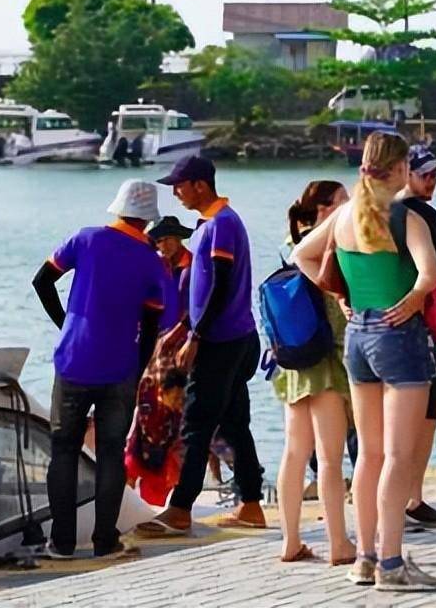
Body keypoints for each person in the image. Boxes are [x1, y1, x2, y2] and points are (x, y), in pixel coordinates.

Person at [291, 131, 436, 592]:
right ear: (400, 170)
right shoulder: (405, 218)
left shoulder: (342, 216)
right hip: (399, 336)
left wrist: (340, 295)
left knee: (370, 455)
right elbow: (431, 273)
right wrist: (416, 297)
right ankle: (393, 564)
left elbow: (302, 253)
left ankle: (365, 557)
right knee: (398, 456)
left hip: (358, 337)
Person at [32, 179, 167, 559]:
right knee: (110, 453)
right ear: (148, 220)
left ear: (118, 208)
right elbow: (153, 325)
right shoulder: (151, 261)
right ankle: (104, 541)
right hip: (119, 366)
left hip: (74, 359)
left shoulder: (85, 239)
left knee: (63, 450)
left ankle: (61, 542)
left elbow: (41, 281)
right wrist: (138, 368)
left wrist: (66, 324)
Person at [137, 156, 266, 536]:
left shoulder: (222, 224)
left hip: (221, 341)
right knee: (234, 423)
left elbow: (221, 283)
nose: (175, 193)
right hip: (233, 337)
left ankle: (179, 509)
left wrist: (196, 336)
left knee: (196, 423)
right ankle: (251, 504)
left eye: (179, 185)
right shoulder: (211, 224)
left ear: (199, 184)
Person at [273, 180, 355, 565]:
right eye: (342, 202)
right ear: (322, 210)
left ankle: (291, 540)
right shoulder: (328, 250)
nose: (350, 206)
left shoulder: (292, 246)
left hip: (292, 365)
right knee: (330, 458)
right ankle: (339, 543)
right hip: (325, 365)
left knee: (293, 453)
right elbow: (339, 317)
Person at [398, 145, 436, 530]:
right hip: (419, 323)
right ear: (405, 172)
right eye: (426, 174)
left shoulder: (381, 213)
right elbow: (431, 270)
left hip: (386, 319)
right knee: (427, 412)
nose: (433, 180)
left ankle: (404, 498)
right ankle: (410, 498)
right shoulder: (421, 215)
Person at [148, 215, 194, 333]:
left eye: (167, 238)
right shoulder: (159, 266)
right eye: (159, 241)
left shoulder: (194, 267)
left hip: (187, 334)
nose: (163, 245)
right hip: (164, 332)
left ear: (178, 238)